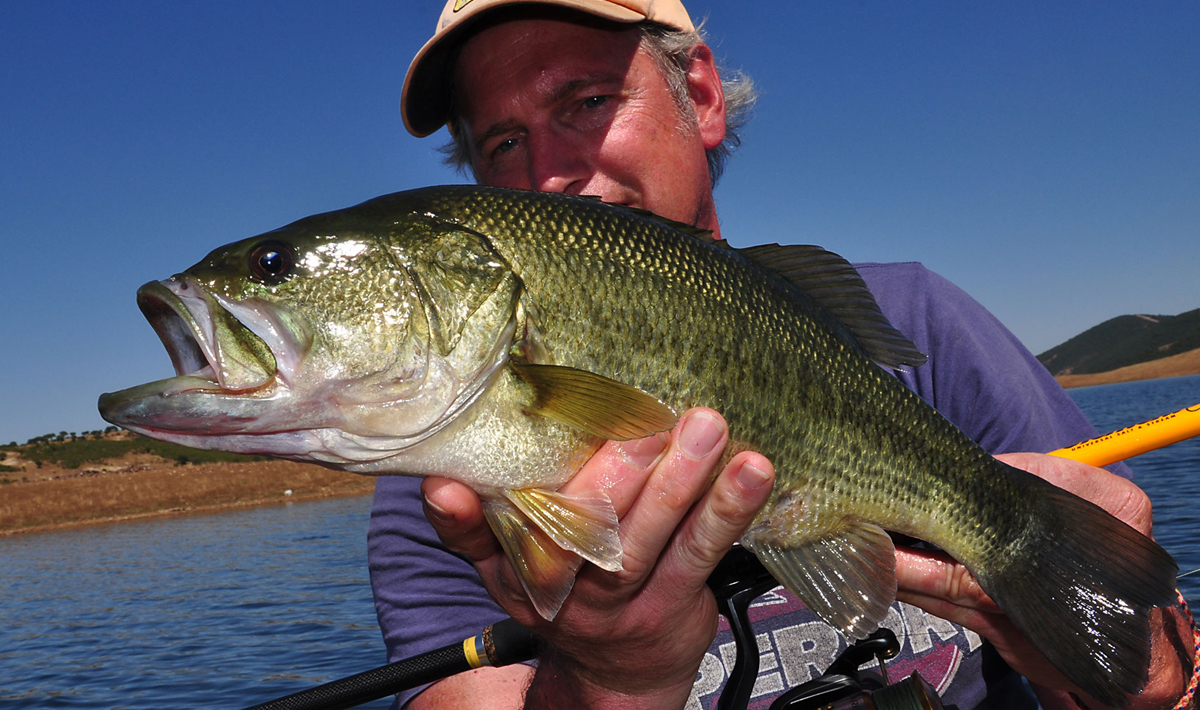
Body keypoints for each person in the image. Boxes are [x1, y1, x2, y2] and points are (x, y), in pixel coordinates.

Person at [369, 1, 1198, 708]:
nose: (550, 174)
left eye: (587, 102)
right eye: (503, 144)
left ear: (699, 94)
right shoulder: (447, 487)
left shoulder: (921, 324)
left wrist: (1140, 664)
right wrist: (612, 675)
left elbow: (1161, 678)